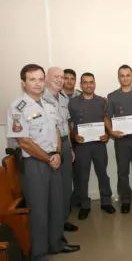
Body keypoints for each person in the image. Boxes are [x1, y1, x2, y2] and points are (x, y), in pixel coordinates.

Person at [6, 64, 79, 261]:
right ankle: (38, 254)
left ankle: (55, 244)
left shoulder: (48, 104)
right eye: (32, 80)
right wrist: (48, 158)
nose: (37, 84)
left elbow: (56, 129)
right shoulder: (17, 107)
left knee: (56, 205)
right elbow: (24, 142)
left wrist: (56, 153)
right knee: (39, 210)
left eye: (40, 79)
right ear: (24, 83)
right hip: (34, 164)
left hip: (53, 159)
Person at [68, 72, 116, 220]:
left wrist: (108, 135)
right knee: (82, 177)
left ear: (95, 84)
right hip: (82, 146)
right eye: (85, 82)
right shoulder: (73, 102)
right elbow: (68, 123)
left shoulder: (102, 101)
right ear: (80, 85)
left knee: (103, 174)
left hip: (99, 145)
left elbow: (108, 120)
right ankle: (84, 205)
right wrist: (73, 135)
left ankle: (106, 202)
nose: (89, 85)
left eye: (91, 82)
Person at [105, 64, 132, 214]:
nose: (125, 78)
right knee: (122, 171)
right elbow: (107, 117)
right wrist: (111, 132)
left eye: (127, 75)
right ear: (118, 78)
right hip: (121, 140)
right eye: (122, 75)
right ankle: (126, 200)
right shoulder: (112, 96)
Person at [43, 67, 78, 236]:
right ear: (47, 78)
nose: (60, 80)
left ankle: (63, 221)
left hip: (64, 143)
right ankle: (54, 227)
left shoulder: (63, 98)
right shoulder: (41, 98)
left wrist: (69, 147)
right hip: (48, 148)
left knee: (65, 186)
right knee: (53, 189)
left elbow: (66, 125)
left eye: (61, 77)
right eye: (55, 77)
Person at [63, 68, 82, 208]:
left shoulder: (81, 95)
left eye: (72, 78)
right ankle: (66, 203)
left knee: (79, 172)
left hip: (80, 139)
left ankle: (77, 200)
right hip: (63, 140)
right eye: (66, 78)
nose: (69, 81)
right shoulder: (55, 96)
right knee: (64, 174)